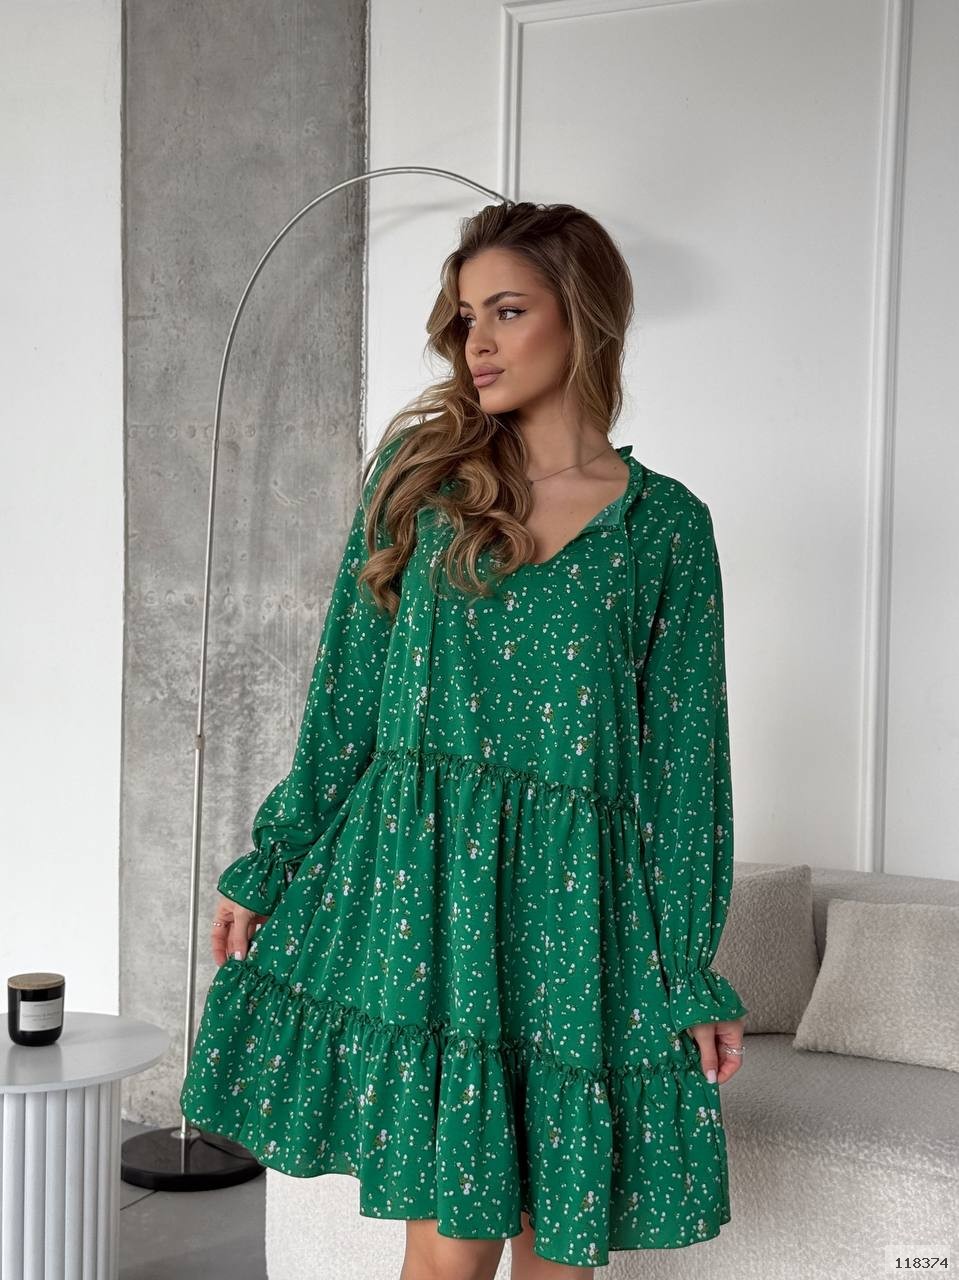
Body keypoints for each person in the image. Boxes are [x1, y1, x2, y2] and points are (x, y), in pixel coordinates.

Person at [179, 200, 747, 1280]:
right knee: (447, 1252)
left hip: (579, 916)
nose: (475, 341)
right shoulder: (426, 479)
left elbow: (686, 773)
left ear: (582, 316)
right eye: (464, 316)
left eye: (506, 310)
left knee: (559, 1255)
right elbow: (347, 692)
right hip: (428, 896)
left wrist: (688, 974)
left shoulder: (664, 526)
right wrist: (277, 856)